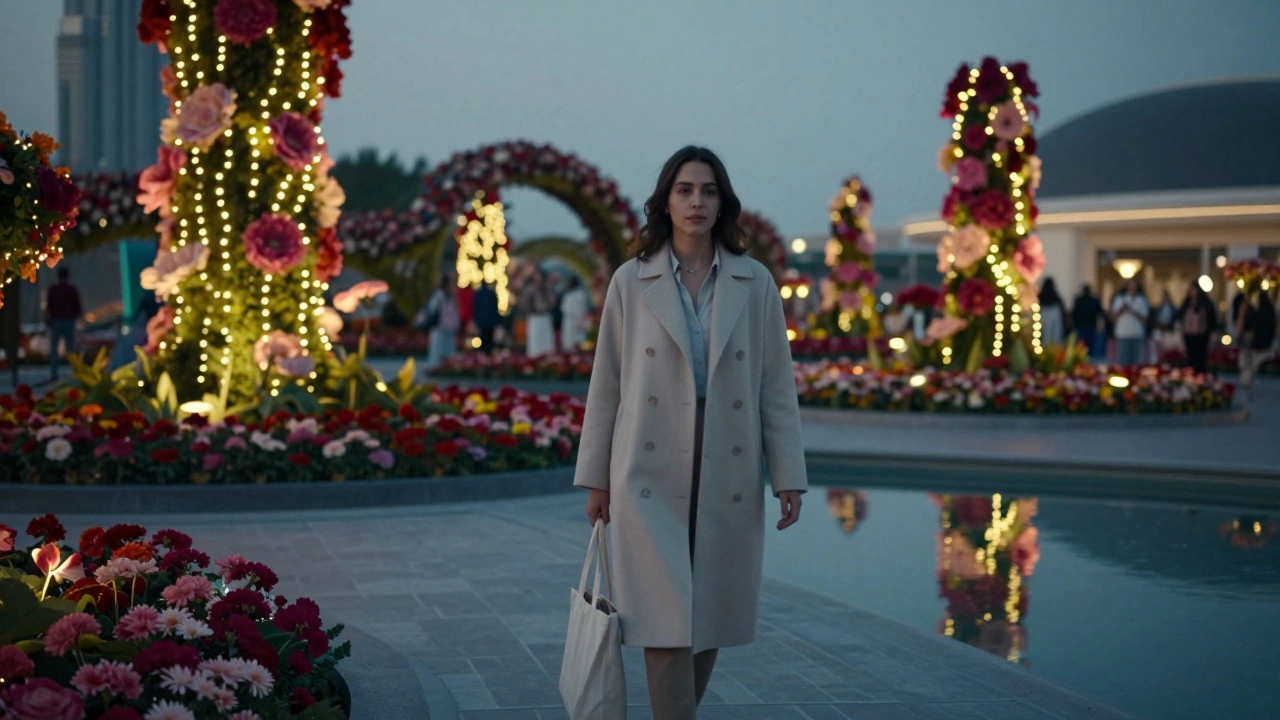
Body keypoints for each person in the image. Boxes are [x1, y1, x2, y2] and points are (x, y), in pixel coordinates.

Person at [574, 146, 806, 720]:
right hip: (646, 465)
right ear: (666, 200)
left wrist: (788, 476)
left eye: (707, 190)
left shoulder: (755, 282)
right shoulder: (632, 281)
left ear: (722, 201)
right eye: (685, 190)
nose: (697, 201)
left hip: (727, 459)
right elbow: (607, 383)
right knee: (663, 616)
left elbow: (776, 386)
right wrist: (596, 477)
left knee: (708, 618)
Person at [1233, 288, 1277, 395]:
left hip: (1256, 347)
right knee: (1248, 369)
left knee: (1250, 370)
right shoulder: (1263, 311)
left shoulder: (1260, 312)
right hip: (1255, 346)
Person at [45, 266, 82, 380]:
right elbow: (77, 306)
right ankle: (75, 372)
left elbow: (49, 307)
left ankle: (54, 373)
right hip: (69, 321)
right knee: (70, 348)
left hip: (56, 321)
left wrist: (48, 320)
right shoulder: (71, 289)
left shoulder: (53, 289)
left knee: (54, 349)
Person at [423, 272, 461, 371]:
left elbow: (432, 309)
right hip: (446, 325)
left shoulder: (440, 295)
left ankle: (438, 366)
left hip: (441, 325)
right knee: (446, 346)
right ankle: (445, 365)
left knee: (438, 346)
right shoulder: (447, 295)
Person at [1110, 279, 1149, 367]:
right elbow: (1113, 316)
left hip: (1136, 333)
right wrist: (1122, 309)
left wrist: (1132, 311)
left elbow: (1145, 317)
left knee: (1136, 361)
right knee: (1123, 361)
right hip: (1123, 334)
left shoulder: (1141, 300)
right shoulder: (1120, 299)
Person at [1179, 283, 1217, 374]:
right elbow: (1181, 317)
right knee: (1190, 357)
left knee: (1200, 358)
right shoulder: (1187, 304)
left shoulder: (1204, 304)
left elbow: (1210, 318)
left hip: (1201, 336)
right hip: (1189, 335)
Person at [520, 268, 556, 357]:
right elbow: (524, 303)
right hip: (534, 317)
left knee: (546, 340)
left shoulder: (547, 288)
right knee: (535, 340)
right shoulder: (530, 288)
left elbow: (553, 302)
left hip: (545, 316)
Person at [558, 275, 590, 352]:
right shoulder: (567, 294)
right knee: (569, 340)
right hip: (568, 320)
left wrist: (581, 319)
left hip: (578, 318)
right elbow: (564, 308)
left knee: (579, 338)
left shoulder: (580, 294)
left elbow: (583, 308)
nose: (569, 284)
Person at [1071, 284, 1103, 358]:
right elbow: (1100, 313)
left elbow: (1074, 314)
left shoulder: (1079, 300)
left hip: (1081, 326)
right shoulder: (1094, 300)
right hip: (1091, 326)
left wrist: (1074, 325)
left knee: (1081, 347)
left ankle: (1082, 361)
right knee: (1091, 347)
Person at [472, 281, 500, 355]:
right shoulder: (491, 294)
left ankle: (483, 357)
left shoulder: (478, 294)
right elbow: (495, 308)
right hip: (490, 322)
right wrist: (496, 321)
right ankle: (488, 357)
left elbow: (475, 308)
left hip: (482, 322)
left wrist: (476, 321)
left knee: (483, 340)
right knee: (489, 341)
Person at [1151, 289, 1179, 361]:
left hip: (1169, 331)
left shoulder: (1173, 309)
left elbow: (1174, 320)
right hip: (1160, 330)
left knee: (1168, 348)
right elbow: (1155, 319)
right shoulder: (1158, 308)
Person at [1037, 277, 1065, 346]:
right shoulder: (1056, 297)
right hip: (1054, 313)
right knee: (1055, 334)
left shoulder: (1041, 296)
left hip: (1044, 314)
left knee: (1045, 334)